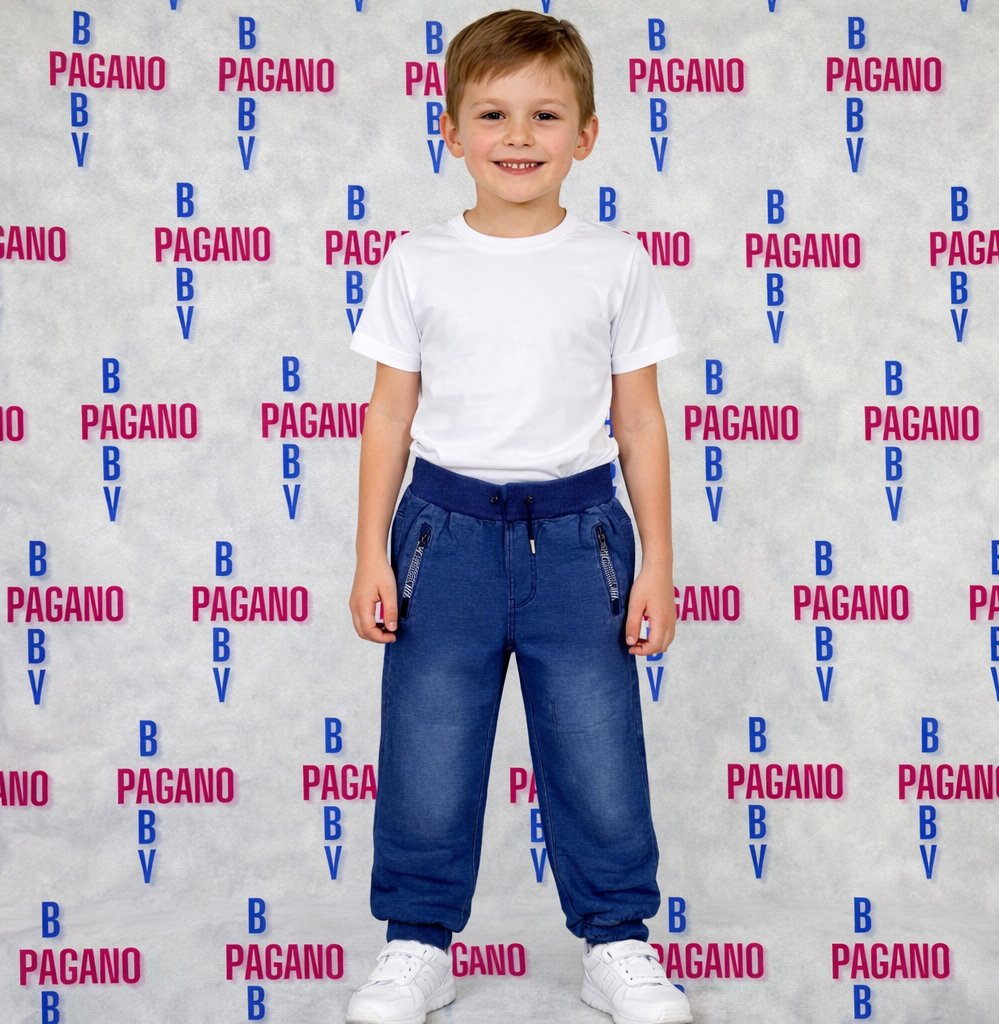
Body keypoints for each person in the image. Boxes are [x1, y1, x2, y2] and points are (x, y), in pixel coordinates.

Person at [346, 10, 690, 1024]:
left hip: (581, 540)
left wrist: (657, 563)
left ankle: (616, 942)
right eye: (492, 114)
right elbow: (388, 414)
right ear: (451, 130)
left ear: (587, 133)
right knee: (428, 742)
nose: (518, 136)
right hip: (440, 535)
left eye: (545, 114)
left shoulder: (615, 261)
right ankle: (417, 944)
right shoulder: (416, 261)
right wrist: (369, 552)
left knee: (596, 744)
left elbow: (640, 420)